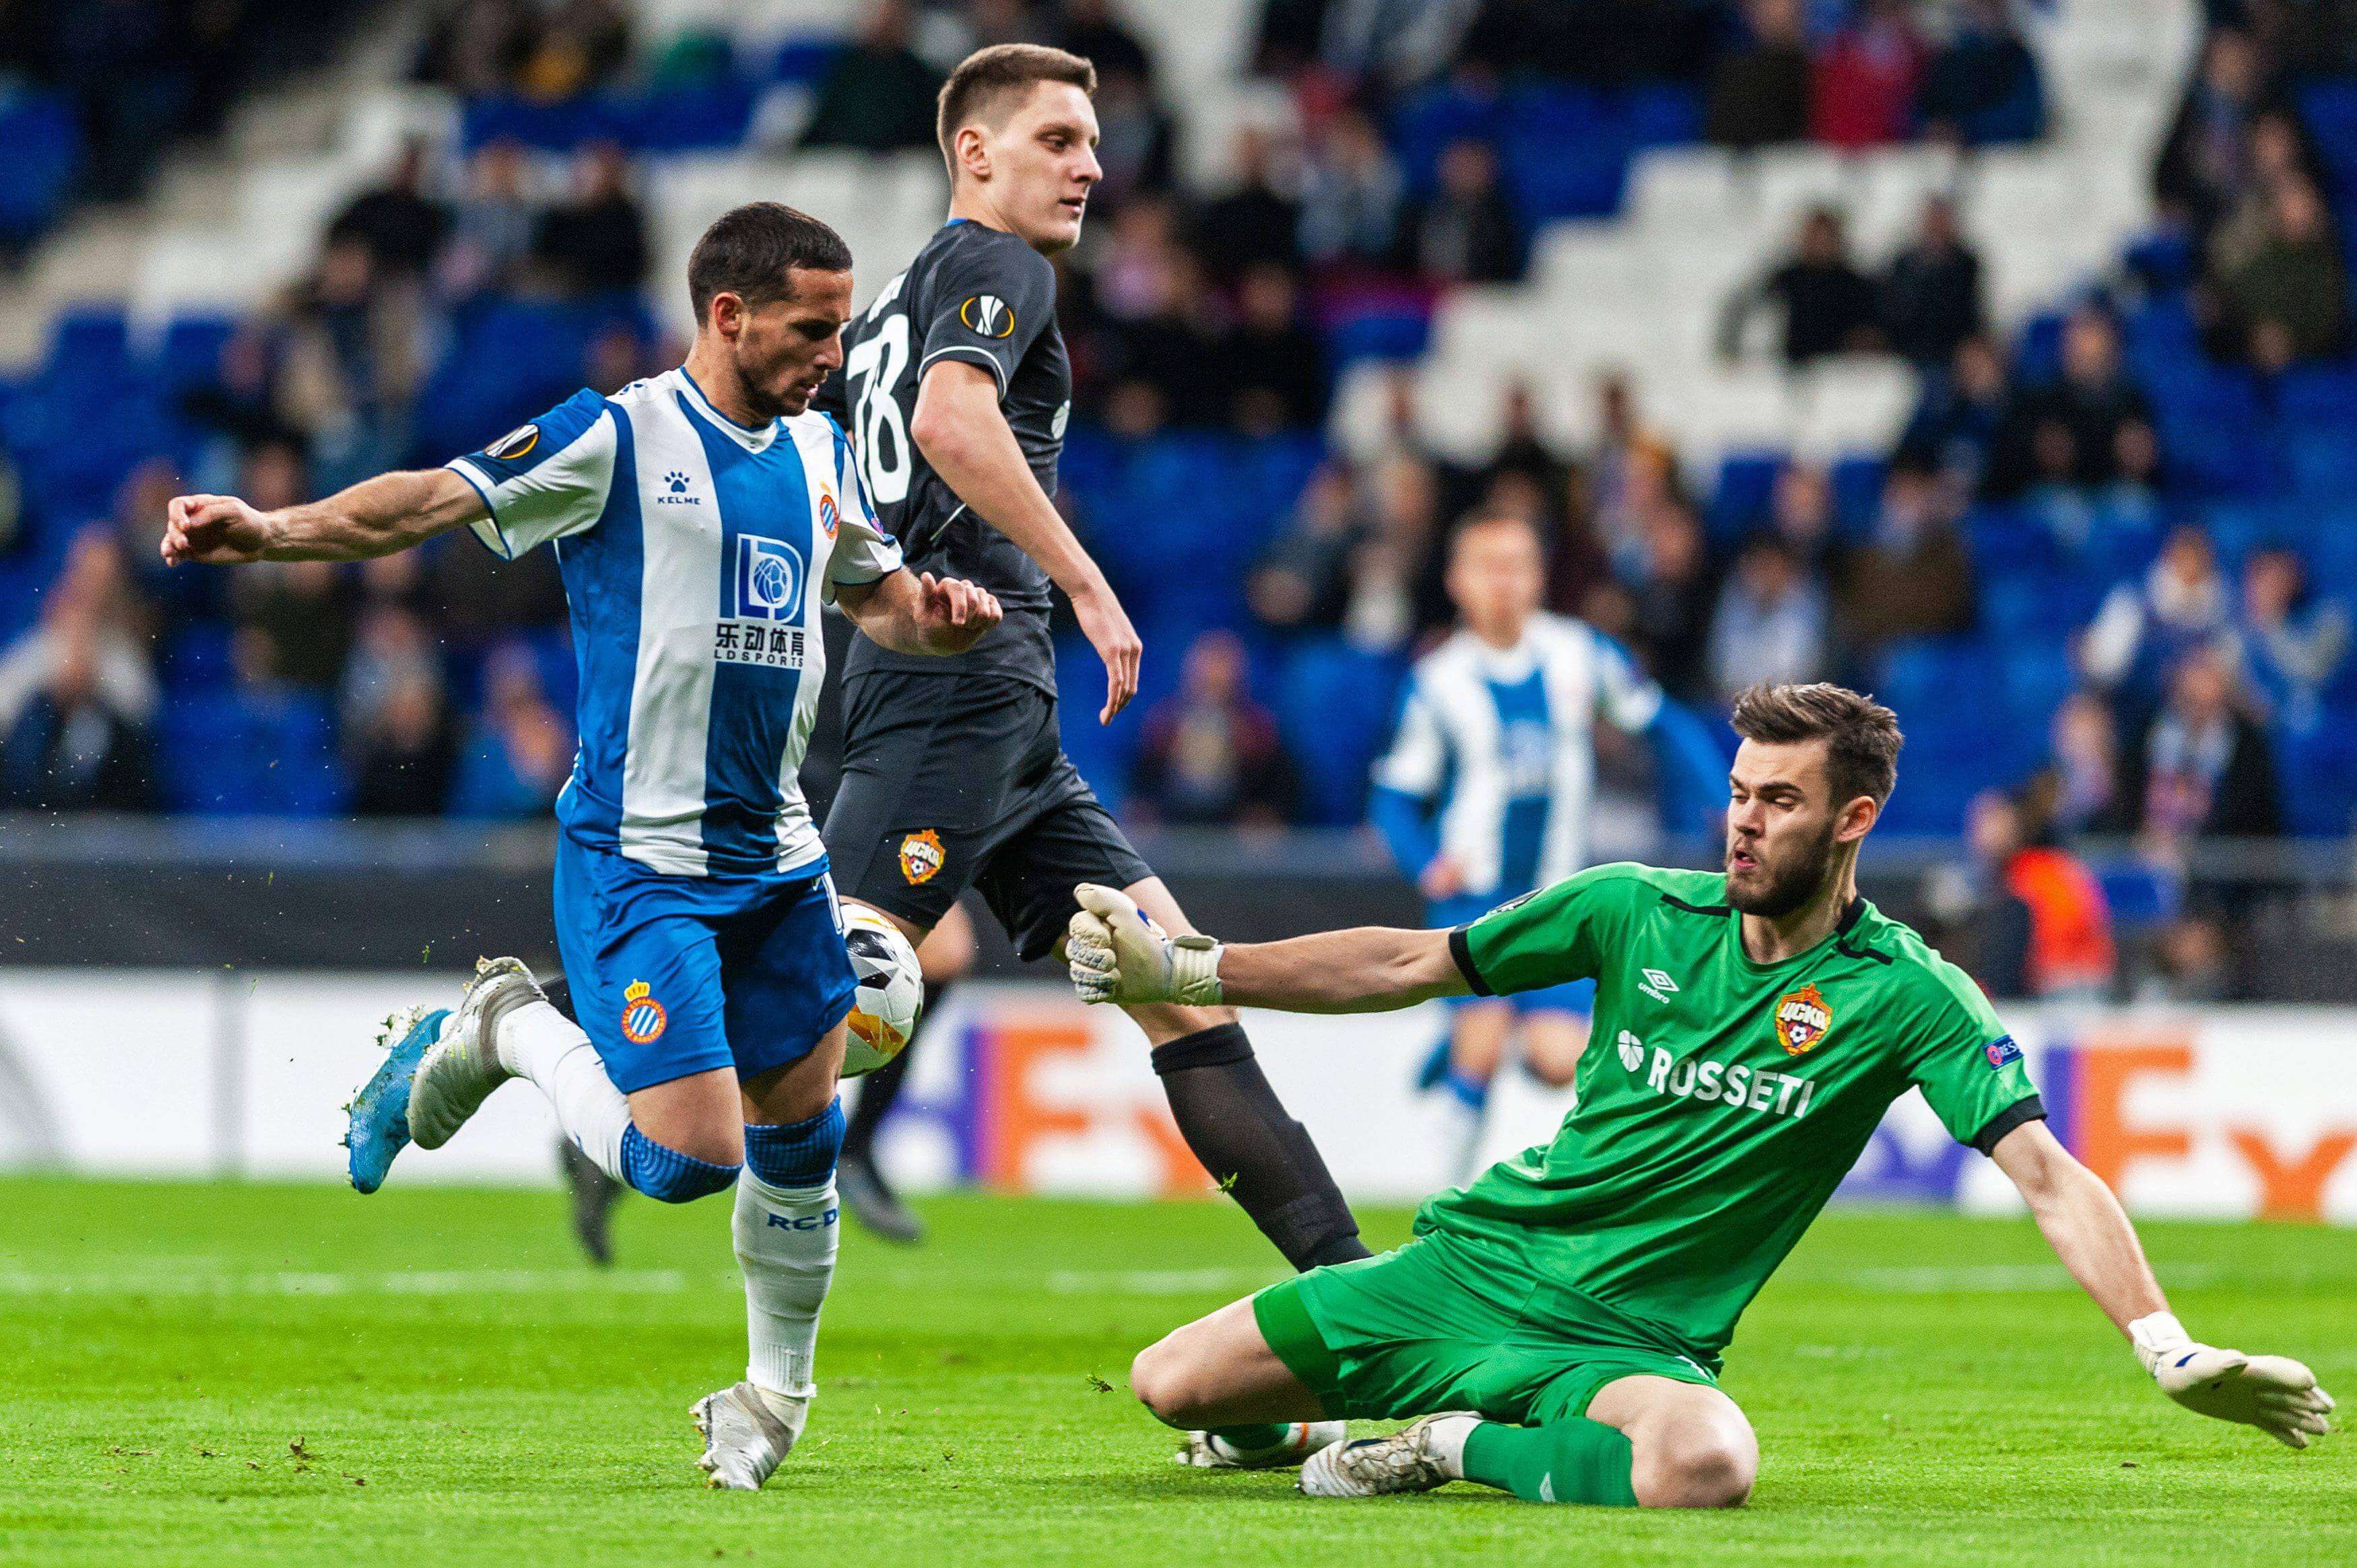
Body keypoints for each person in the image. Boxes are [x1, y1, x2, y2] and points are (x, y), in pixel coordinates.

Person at [160, 202, 1005, 1491]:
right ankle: (505, 1026)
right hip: (637, 858)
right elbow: (433, 499)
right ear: (727, 314)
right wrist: (275, 533)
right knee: (684, 1160)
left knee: (800, 1133)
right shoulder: (617, 435)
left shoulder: (827, 452)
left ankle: (772, 1402)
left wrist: (937, 617)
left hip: (777, 862)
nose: (833, 352)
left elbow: (881, 602)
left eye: (841, 326)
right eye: (809, 327)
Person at [1068, 682, 2335, 1505]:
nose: (1742, 821)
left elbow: (2048, 1175)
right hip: (1471, 1269)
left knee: (1708, 1461)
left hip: (1632, 1347)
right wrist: (1190, 963)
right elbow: (1413, 959)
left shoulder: (1908, 995)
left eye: (1777, 801)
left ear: (1853, 818)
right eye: (1736, 792)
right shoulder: (1633, 906)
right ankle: (1314, 1426)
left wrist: (2164, 1346)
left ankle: (1443, 1442)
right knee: (1168, 1379)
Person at [812, 48, 1377, 1355]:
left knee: (1179, 988)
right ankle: (526, 1022)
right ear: (976, 155)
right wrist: (1084, 582)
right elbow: (956, 426)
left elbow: (847, 491)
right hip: (955, 697)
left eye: (1091, 141)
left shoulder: (896, 301)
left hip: (983, 709)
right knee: (803, 1004)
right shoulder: (998, 269)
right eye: (1059, 139)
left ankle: (1357, 1300)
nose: (1090, 166)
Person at [1370, 510, 1726, 1182]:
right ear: (1457, 580)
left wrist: (1721, 800)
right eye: (1488, 566)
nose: (1503, 582)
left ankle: (1459, 1048)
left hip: (1555, 894)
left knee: (1559, 1060)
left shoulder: (1580, 653)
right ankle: (1446, 1202)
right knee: (1483, 1033)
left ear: (1538, 576)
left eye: (1517, 565)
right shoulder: (1437, 681)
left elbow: (1662, 723)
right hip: (1473, 895)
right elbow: (1391, 797)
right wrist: (1426, 865)